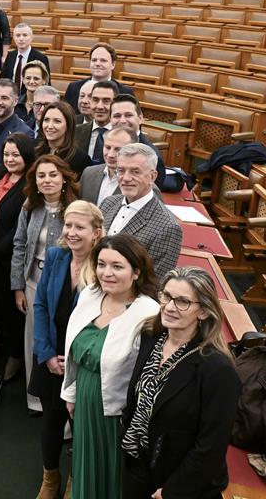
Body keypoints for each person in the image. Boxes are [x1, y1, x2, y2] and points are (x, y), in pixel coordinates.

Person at [121, 267, 240, 499]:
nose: (169, 306)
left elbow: (210, 447)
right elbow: (137, 403)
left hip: (180, 484)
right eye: (166, 296)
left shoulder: (218, 370)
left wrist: (172, 491)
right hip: (138, 466)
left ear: (204, 311)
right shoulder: (151, 336)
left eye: (182, 301)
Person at [61, 235, 159, 499]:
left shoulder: (149, 313)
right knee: (85, 464)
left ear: (136, 272)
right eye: (102, 264)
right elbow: (73, 353)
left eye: (117, 266)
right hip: (84, 397)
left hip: (119, 413)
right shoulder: (90, 295)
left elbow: (149, 376)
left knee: (111, 473)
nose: (107, 273)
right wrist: (71, 393)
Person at [31, 200, 104, 498]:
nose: (72, 233)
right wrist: (46, 353)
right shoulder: (56, 256)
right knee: (51, 422)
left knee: (83, 429)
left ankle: (77, 479)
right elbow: (40, 305)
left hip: (83, 363)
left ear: (97, 232)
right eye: (69, 225)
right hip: (52, 357)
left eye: (80, 227)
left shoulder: (104, 267)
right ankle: (50, 477)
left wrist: (73, 361)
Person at [11, 154, 80, 413]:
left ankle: (64, 402)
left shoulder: (75, 208)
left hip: (64, 286)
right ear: (35, 181)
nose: (47, 180)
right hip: (32, 281)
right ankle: (36, 399)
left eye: (53, 175)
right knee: (34, 339)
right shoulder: (30, 206)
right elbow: (19, 245)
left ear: (64, 178)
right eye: (41, 176)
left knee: (60, 341)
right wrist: (18, 285)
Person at [0, 133, 35, 380]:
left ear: (27, 156)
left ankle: (13, 357)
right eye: (6, 154)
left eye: (16, 154)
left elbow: (18, 232)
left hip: (5, 258)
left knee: (9, 312)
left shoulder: (29, 186)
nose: (10, 159)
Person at [100, 144, 182, 277]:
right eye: (121, 170)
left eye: (135, 172)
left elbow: (155, 282)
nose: (126, 178)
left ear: (152, 177)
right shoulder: (108, 203)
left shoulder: (168, 227)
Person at [109, 94, 166, 187]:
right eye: (117, 116)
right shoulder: (106, 145)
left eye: (128, 115)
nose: (122, 121)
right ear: (110, 119)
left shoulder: (152, 156)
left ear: (140, 118)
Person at [64, 43, 134, 112]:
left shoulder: (125, 92)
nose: (97, 64)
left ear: (113, 64)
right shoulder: (74, 87)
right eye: (94, 60)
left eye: (103, 60)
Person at [79, 126, 136, 205]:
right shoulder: (88, 173)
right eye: (108, 147)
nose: (110, 155)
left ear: (133, 151)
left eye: (118, 149)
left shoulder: (141, 184)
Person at [36, 101, 91, 176]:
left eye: (57, 121)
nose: (50, 126)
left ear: (68, 125)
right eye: (46, 120)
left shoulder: (80, 159)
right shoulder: (33, 149)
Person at [73, 80, 118, 164]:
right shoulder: (75, 132)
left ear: (115, 104)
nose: (99, 106)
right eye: (95, 100)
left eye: (106, 101)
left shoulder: (123, 136)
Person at [1, 22, 50, 91]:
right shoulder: (10, 55)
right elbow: (3, 79)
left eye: (25, 35)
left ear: (31, 37)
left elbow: (47, 84)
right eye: (18, 35)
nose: (21, 39)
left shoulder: (41, 58)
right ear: (14, 38)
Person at [13, 61, 51, 129]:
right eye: (28, 78)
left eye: (36, 78)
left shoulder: (50, 106)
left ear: (44, 80)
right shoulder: (14, 103)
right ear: (23, 80)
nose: (31, 82)